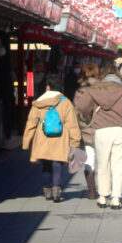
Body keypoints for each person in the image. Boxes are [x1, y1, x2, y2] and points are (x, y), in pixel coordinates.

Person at [74, 64, 122, 209]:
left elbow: (81, 107)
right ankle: (116, 198)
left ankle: (102, 196)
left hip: (101, 130)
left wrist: (88, 114)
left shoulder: (93, 91)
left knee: (102, 164)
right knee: (119, 165)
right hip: (121, 129)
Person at [22, 73, 81, 203]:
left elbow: (30, 123)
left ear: (47, 87)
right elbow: (72, 124)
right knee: (57, 164)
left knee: (46, 165)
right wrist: (75, 141)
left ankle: (47, 190)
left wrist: (26, 142)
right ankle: (56, 190)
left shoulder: (38, 103)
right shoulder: (65, 102)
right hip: (60, 138)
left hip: (42, 138)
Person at [73, 63, 102, 199]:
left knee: (89, 160)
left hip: (86, 130)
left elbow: (76, 111)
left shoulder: (80, 91)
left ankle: (91, 191)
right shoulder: (103, 89)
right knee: (104, 160)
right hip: (102, 128)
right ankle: (105, 189)